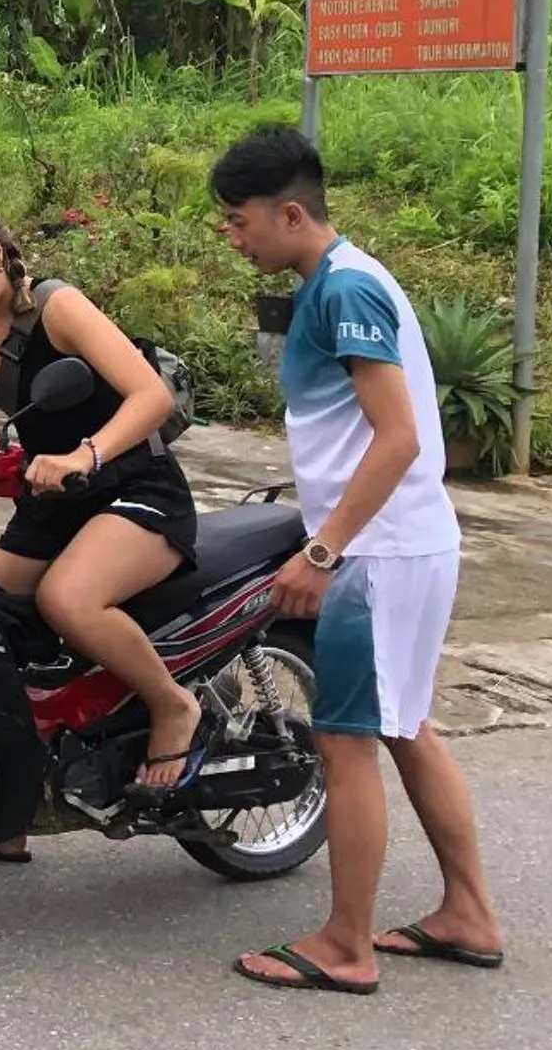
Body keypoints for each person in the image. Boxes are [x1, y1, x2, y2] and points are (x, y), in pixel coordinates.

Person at [214, 124, 504, 995]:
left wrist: (323, 547)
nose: (233, 237)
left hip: (378, 558)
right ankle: (468, 913)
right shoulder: (341, 282)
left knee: (344, 742)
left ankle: (346, 945)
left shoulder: (344, 290)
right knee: (406, 728)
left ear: (289, 213)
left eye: (239, 221)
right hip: (401, 545)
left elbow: (402, 436)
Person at [0, 202, 203, 862]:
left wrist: (86, 454)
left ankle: (172, 705)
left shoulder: (58, 309)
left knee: (66, 601)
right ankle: (4, 814)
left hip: (133, 487)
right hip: (51, 502)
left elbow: (151, 396)